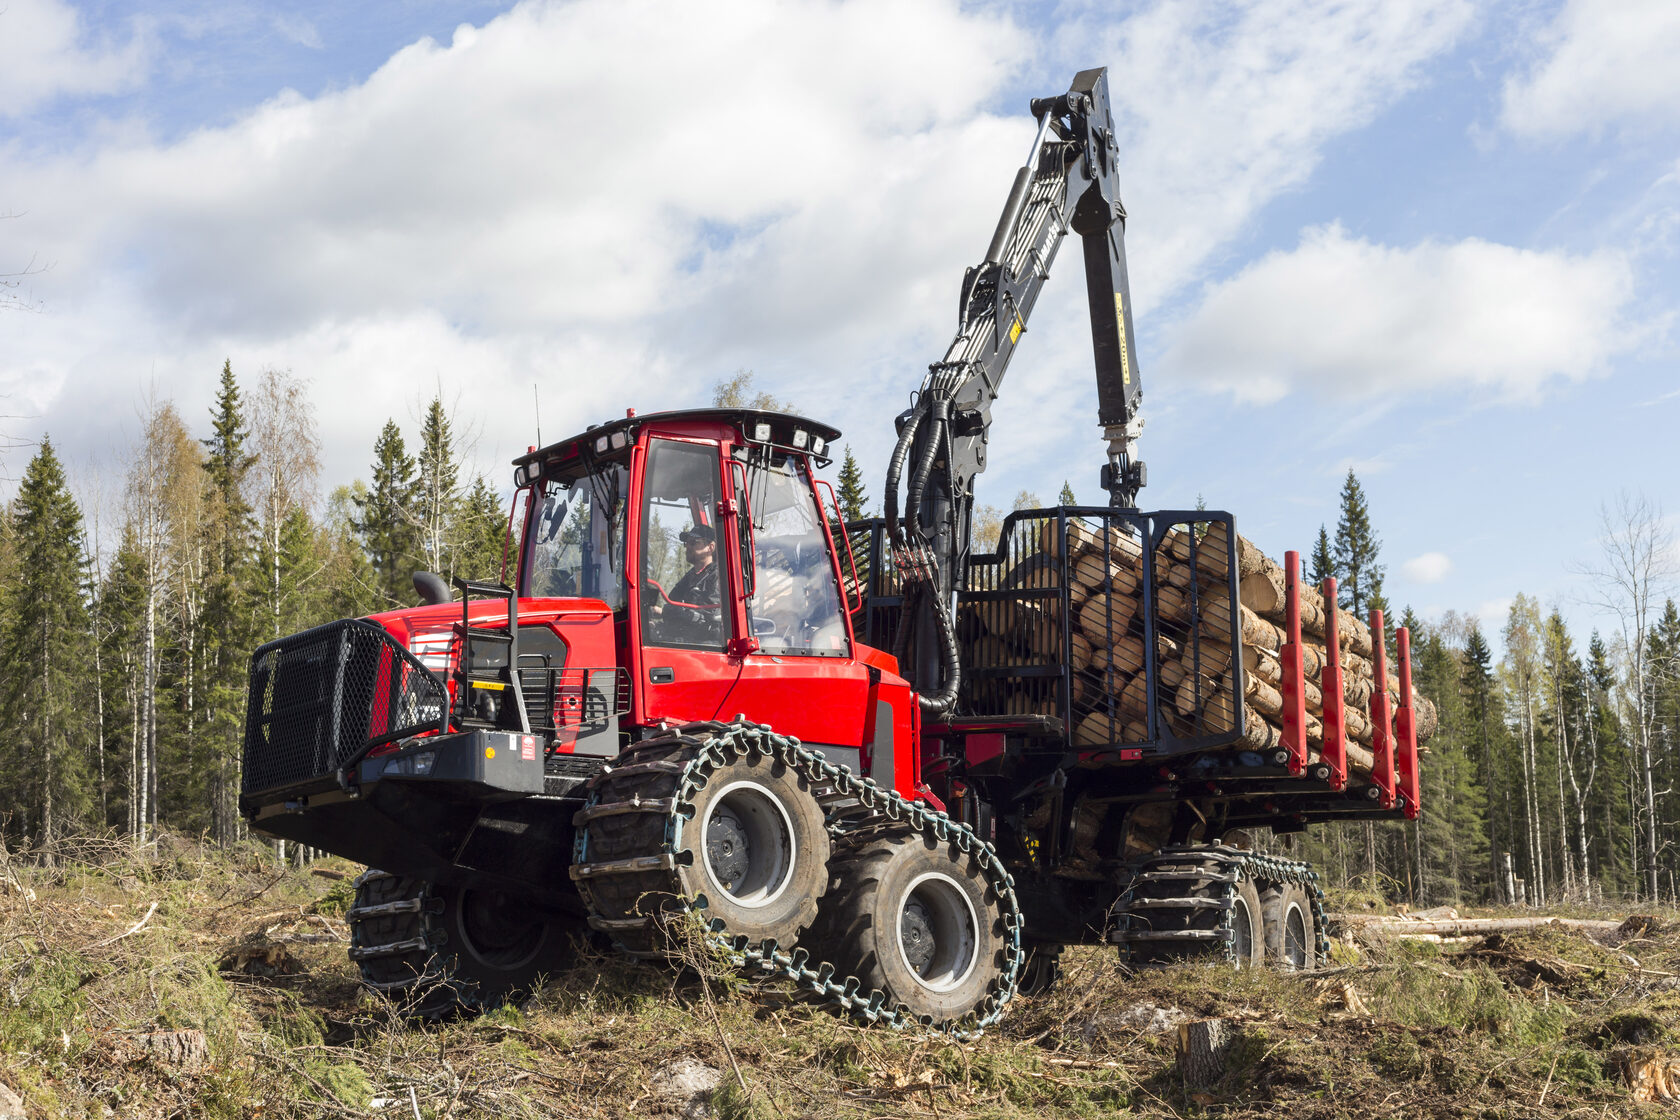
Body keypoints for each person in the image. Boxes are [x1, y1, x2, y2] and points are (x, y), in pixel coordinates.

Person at [650, 524, 721, 643]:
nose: (687, 546)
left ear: (710, 547)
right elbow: (672, 601)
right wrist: (657, 614)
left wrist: (665, 612)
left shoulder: (717, 576)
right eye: (686, 543)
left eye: (693, 542)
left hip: (704, 642)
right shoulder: (690, 575)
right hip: (683, 635)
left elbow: (709, 616)